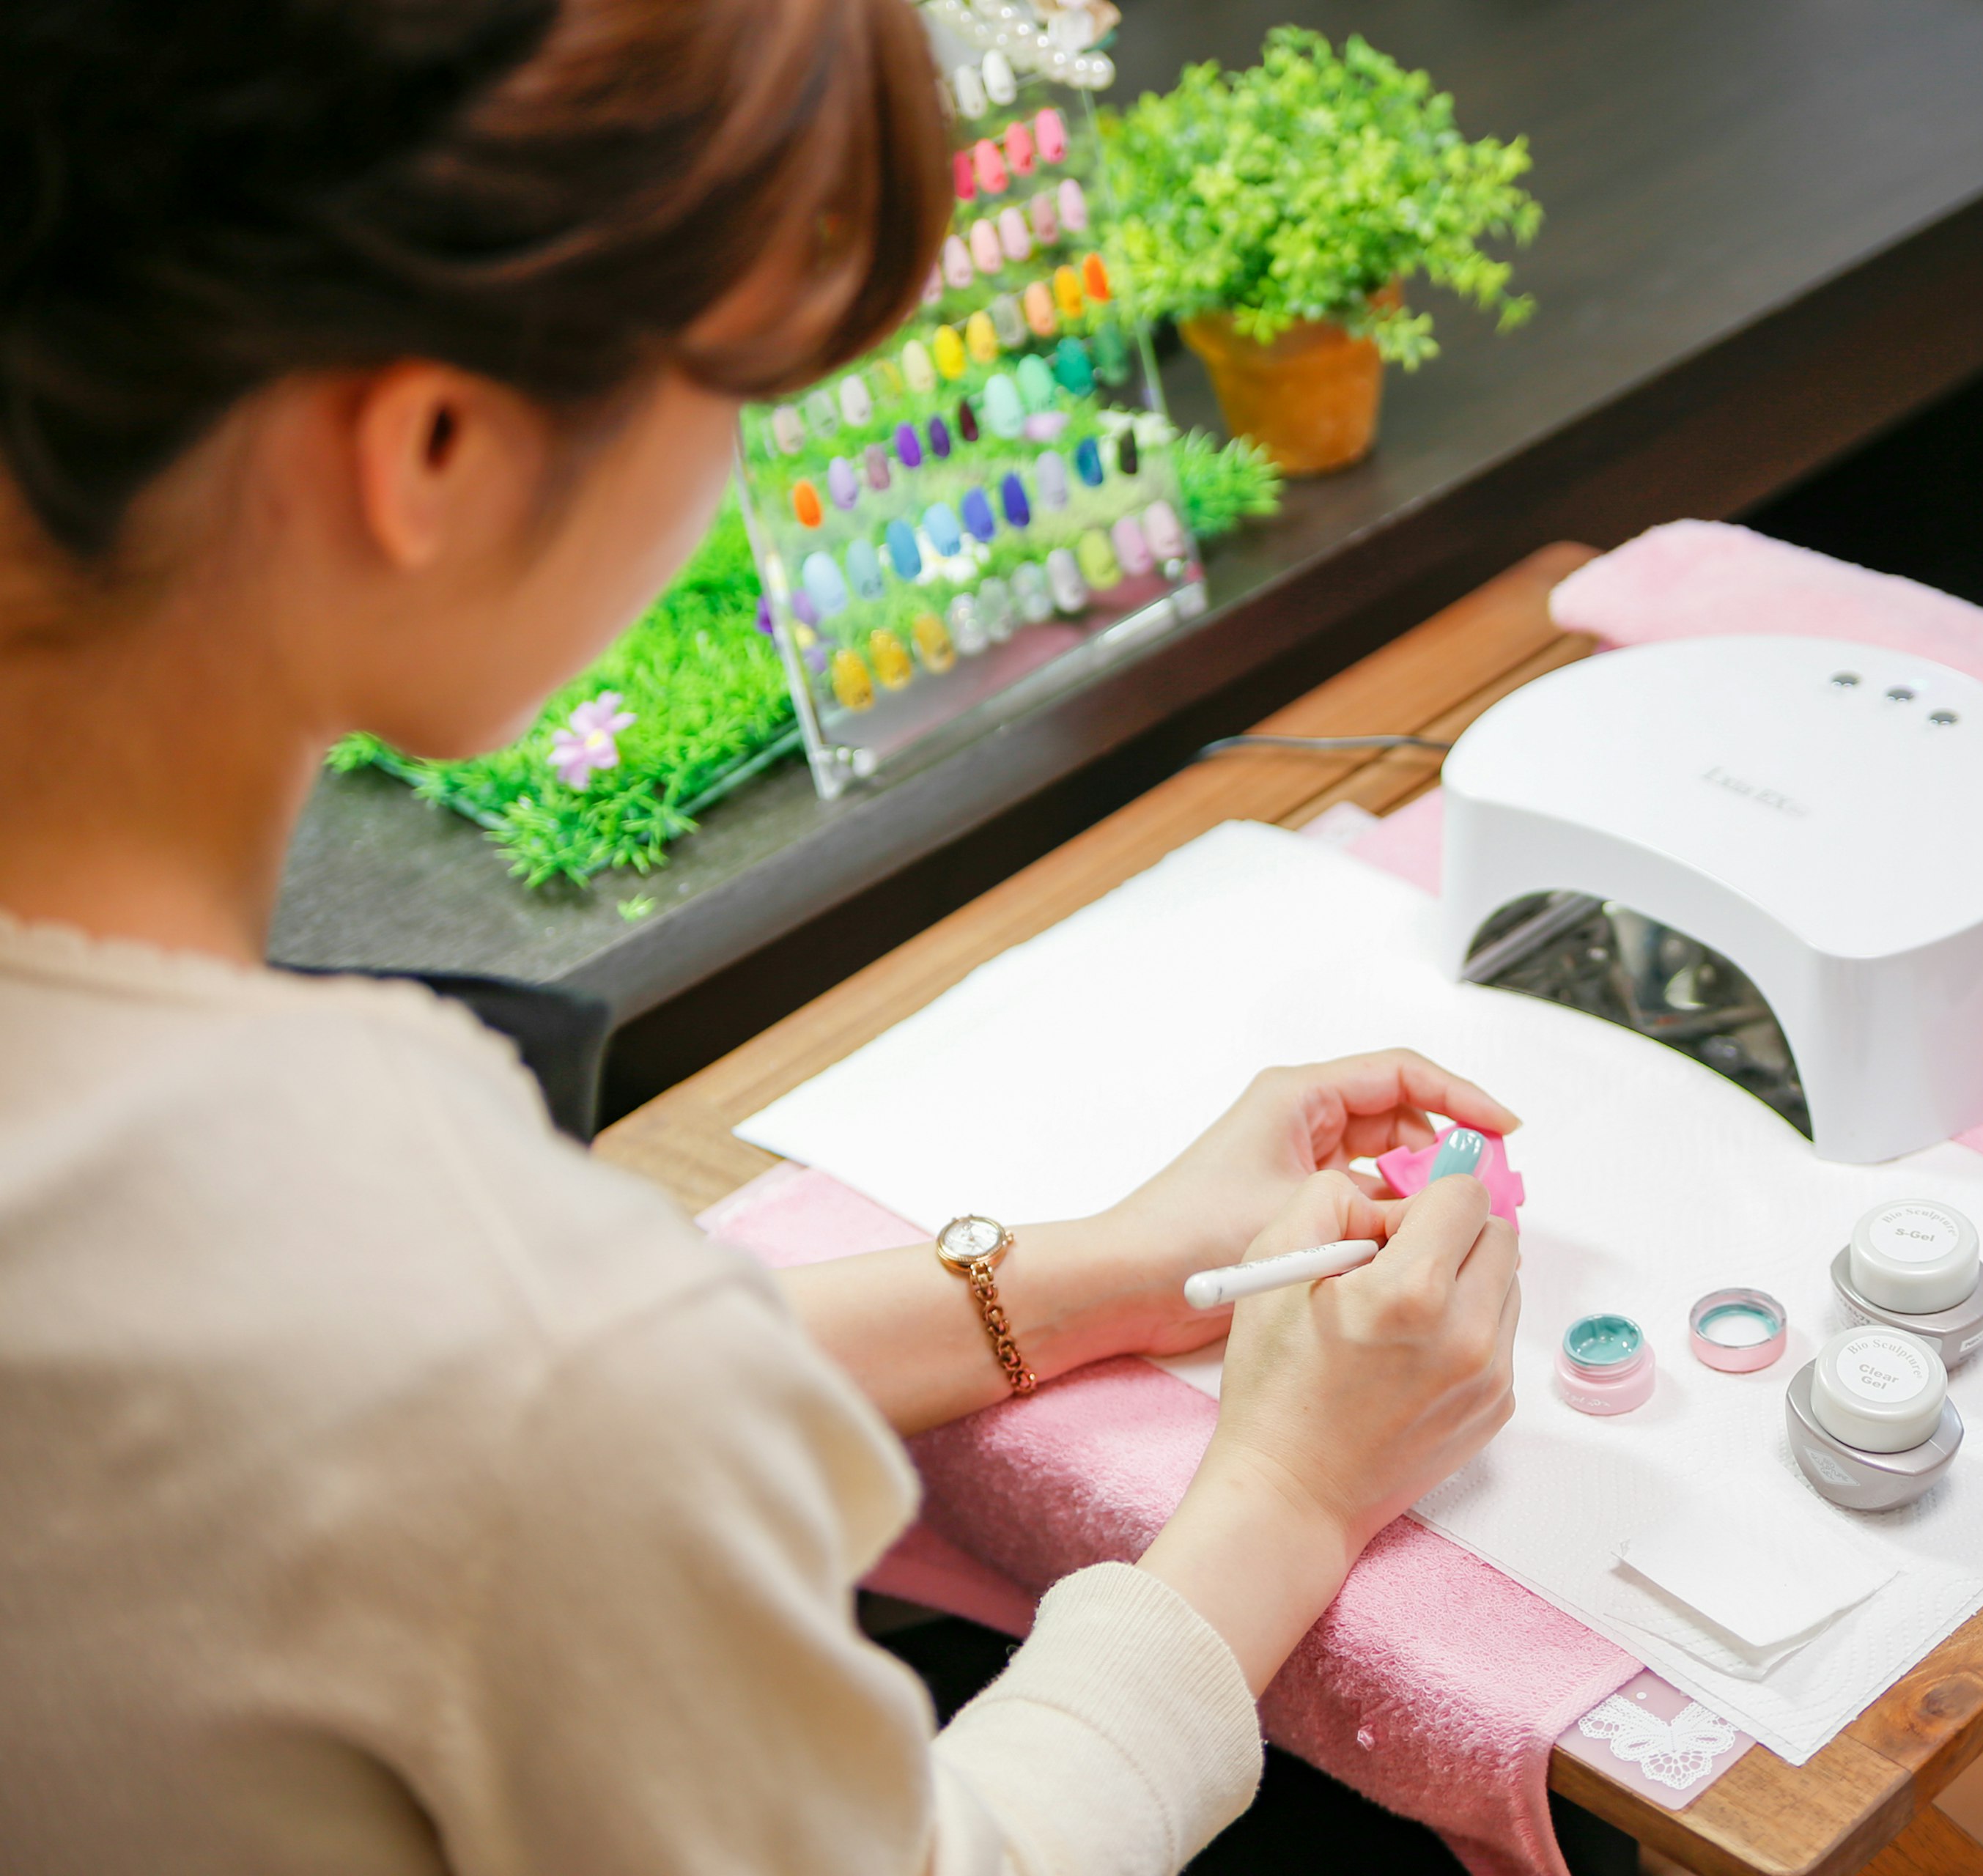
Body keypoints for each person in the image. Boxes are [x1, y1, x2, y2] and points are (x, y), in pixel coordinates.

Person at [0, 1, 1524, 1871]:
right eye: (731, 384)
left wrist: (1101, 1270)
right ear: (434, 447)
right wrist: (1292, 1485)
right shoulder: (447, 1314)